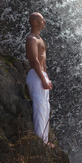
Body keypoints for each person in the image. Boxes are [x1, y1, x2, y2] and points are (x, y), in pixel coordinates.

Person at [25, 12, 53, 146]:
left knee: (46, 108)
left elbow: (43, 62)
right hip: (36, 76)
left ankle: (45, 140)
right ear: (35, 22)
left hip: (41, 75)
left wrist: (46, 77)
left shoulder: (40, 39)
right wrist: (42, 78)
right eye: (42, 20)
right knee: (40, 108)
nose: (44, 22)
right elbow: (34, 61)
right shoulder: (31, 39)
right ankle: (40, 141)